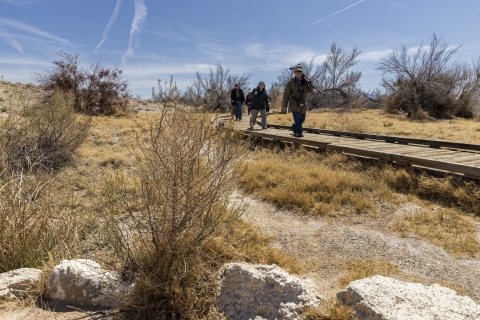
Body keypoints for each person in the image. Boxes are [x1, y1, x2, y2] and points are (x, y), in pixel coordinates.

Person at [281, 64, 313, 137]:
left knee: (302, 118)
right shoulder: (291, 82)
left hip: (303, 103)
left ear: (302, 72)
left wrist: (310, 84)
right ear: (294, 72)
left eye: (300, 71)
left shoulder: (305, 81)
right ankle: (299, 132)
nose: (298, 73)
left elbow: (309, 91)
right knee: (297, 117)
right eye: (297, 71)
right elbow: (286, 94)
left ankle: (295, 126)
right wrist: (284, 105)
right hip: (294, 103)